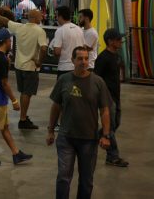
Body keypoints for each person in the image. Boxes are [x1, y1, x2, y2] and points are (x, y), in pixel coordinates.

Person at [46, 46, 112, 199]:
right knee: (63, 177)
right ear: (72, 60)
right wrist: (50, 130)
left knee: (86, 180)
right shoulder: (64, 80)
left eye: (86, 58)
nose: (84, 62)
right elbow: (56, 106)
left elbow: (105, 111)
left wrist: (106, 135)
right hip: (66, 137)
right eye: (80, 59)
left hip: (89, 139)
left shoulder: (98, 82)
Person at [0, 28, 33, 166]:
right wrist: (14, 100)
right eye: (10, 40)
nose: (11, 42)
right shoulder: (1, 59)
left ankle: (16, 154)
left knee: (4, 127)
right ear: (5, 41)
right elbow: (4, 83)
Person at [0, 8, 47, 129]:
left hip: (19, 66)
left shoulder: (20, 27)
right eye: (40, 16)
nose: (42, 18)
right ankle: (23, 119)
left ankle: (23, 116)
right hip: (30, 67)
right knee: (27, 93)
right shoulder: (39, 31)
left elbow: (5, 21)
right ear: (35, 18)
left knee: (23, 93)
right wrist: (39, 62)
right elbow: (43, 48)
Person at [94, 29, 129, 167]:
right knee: (111, 127)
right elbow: (96, 78)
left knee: (115, 124)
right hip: (107, 98)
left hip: (116, 96)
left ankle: (94, 137)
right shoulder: (103, 58)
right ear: (110, 41)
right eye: (118, 39)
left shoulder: (116, 56)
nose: (121, 41)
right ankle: (113, 156)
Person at [52, 6, 85, 77]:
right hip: (78, 66)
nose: (57, 19)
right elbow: (83, 47)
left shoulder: (60, 30)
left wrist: (53, 51)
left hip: (64, 68)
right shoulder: (79, 29)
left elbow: (57, 52)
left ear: (60, 17)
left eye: (57, 16)